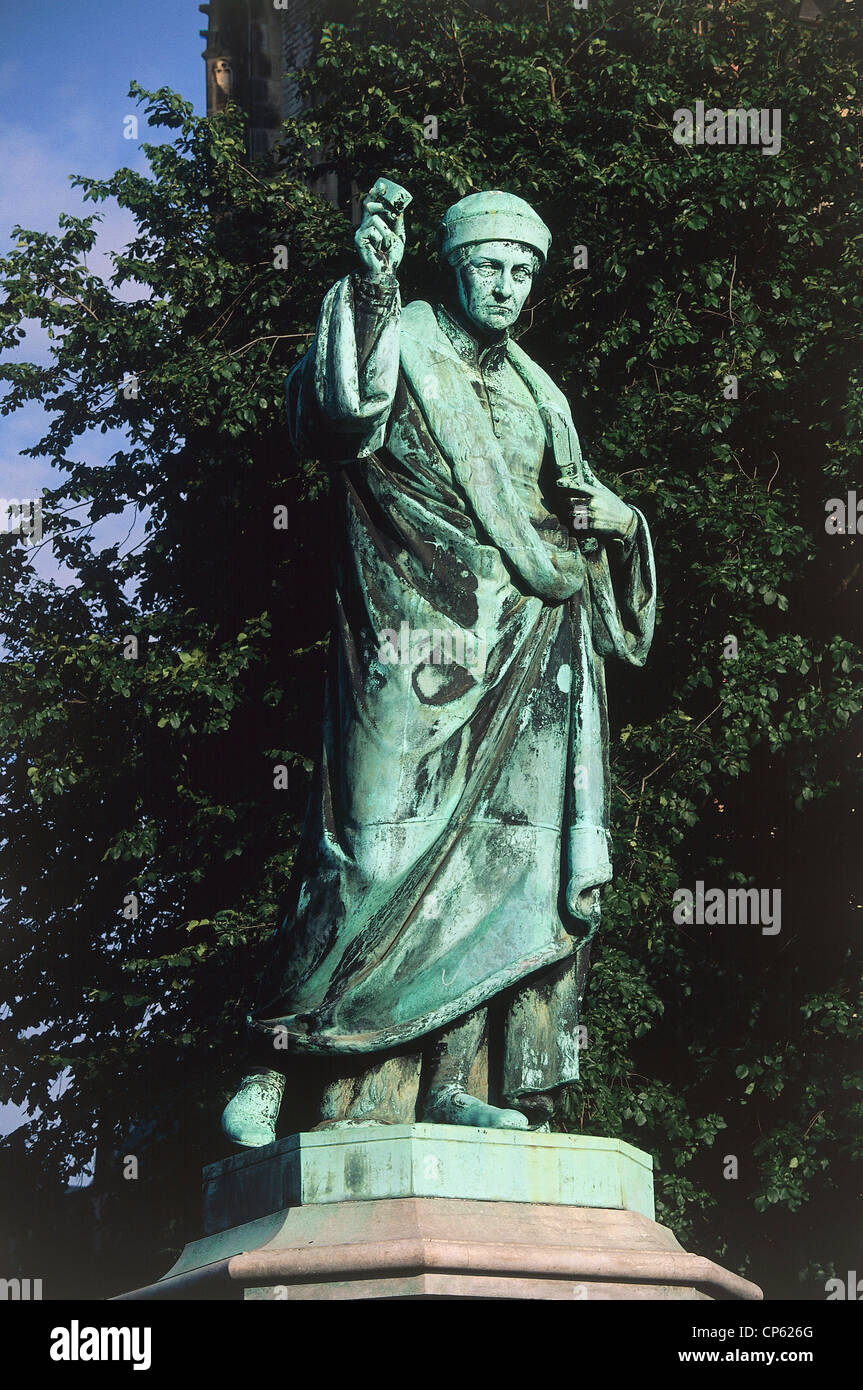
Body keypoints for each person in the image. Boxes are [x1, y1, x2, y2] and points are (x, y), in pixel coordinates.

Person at [221, 186, 656, 1146]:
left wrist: (623, 527)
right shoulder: (405, 339)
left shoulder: (544, 393)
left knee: (503, 866)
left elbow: (576, 513)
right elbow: (332, 423)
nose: (503, 287)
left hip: (533, 642)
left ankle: (457, 1079)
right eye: (487, 266)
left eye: (521, 272)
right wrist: (370, 290)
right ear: (450, 267)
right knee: (368, 847)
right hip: (411, 634)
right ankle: (278, 1051)